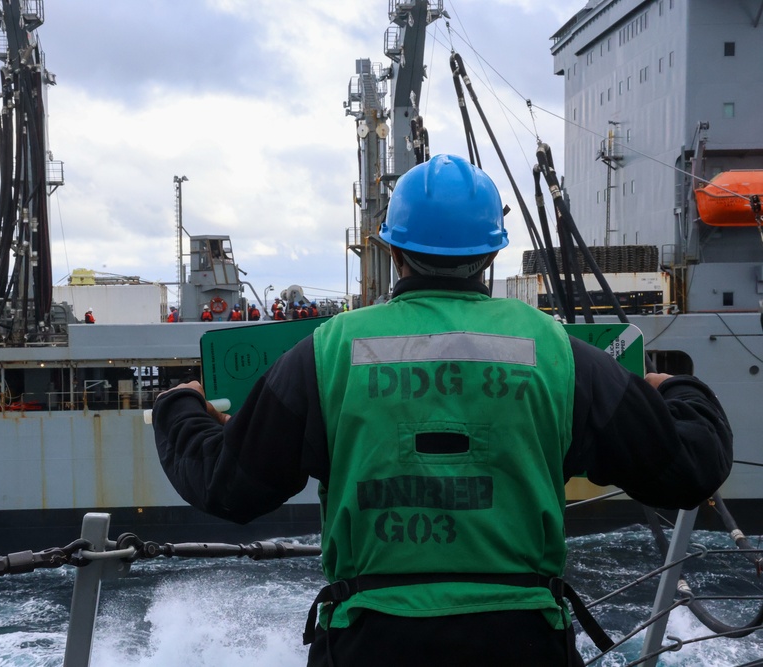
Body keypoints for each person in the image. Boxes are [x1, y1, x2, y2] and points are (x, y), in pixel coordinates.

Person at [151, 154, 733, 666]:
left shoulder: (328, 351)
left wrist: (181, 406)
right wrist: (676, 390)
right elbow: (691, 469)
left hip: (370, 642)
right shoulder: (557, 353)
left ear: (393, 249)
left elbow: (228, 487)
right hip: (521, 640)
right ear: (491, 252)